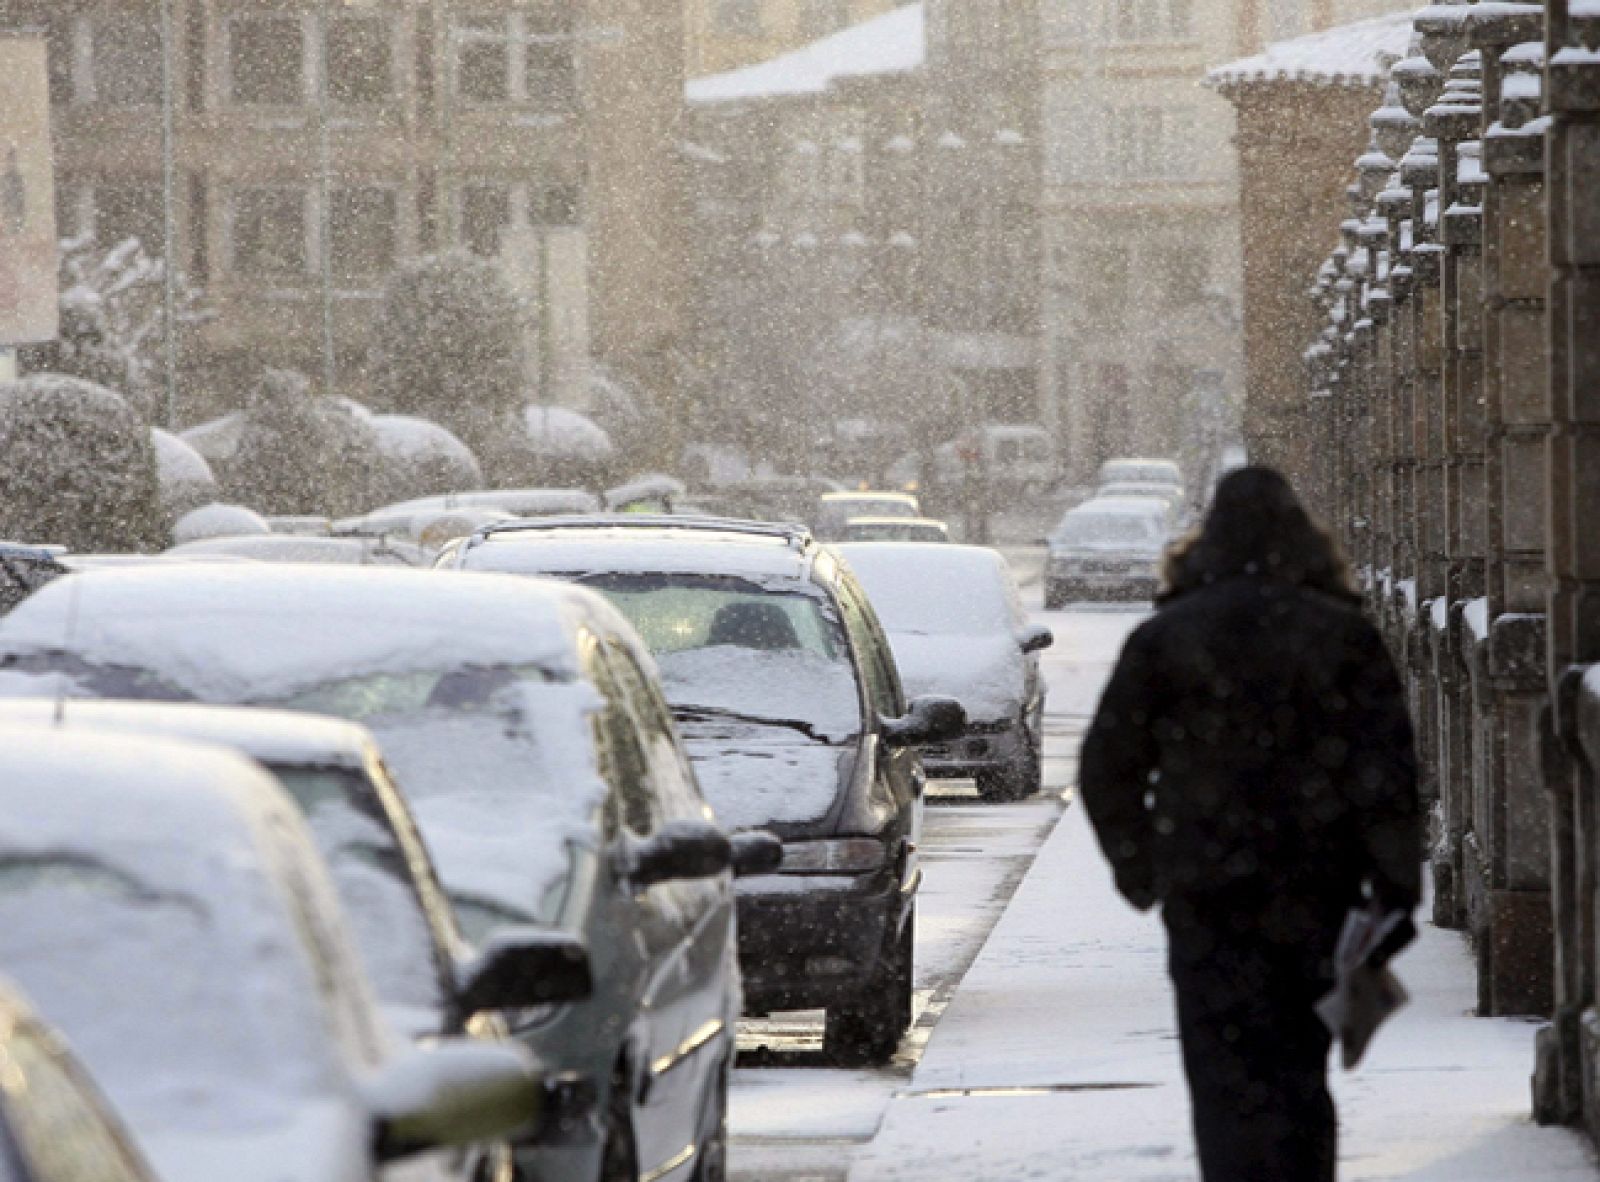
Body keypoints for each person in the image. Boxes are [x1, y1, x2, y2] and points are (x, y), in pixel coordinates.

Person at [1079, 466, 1420, 1182]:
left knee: (1224, 1077)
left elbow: (1106, 768)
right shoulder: (1343, 637)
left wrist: (1147, 870)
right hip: (1315, 894)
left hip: (1207, 897)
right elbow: (1385, 777)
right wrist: (1393, 890)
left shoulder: (1167, 638)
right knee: (1299, 1073)